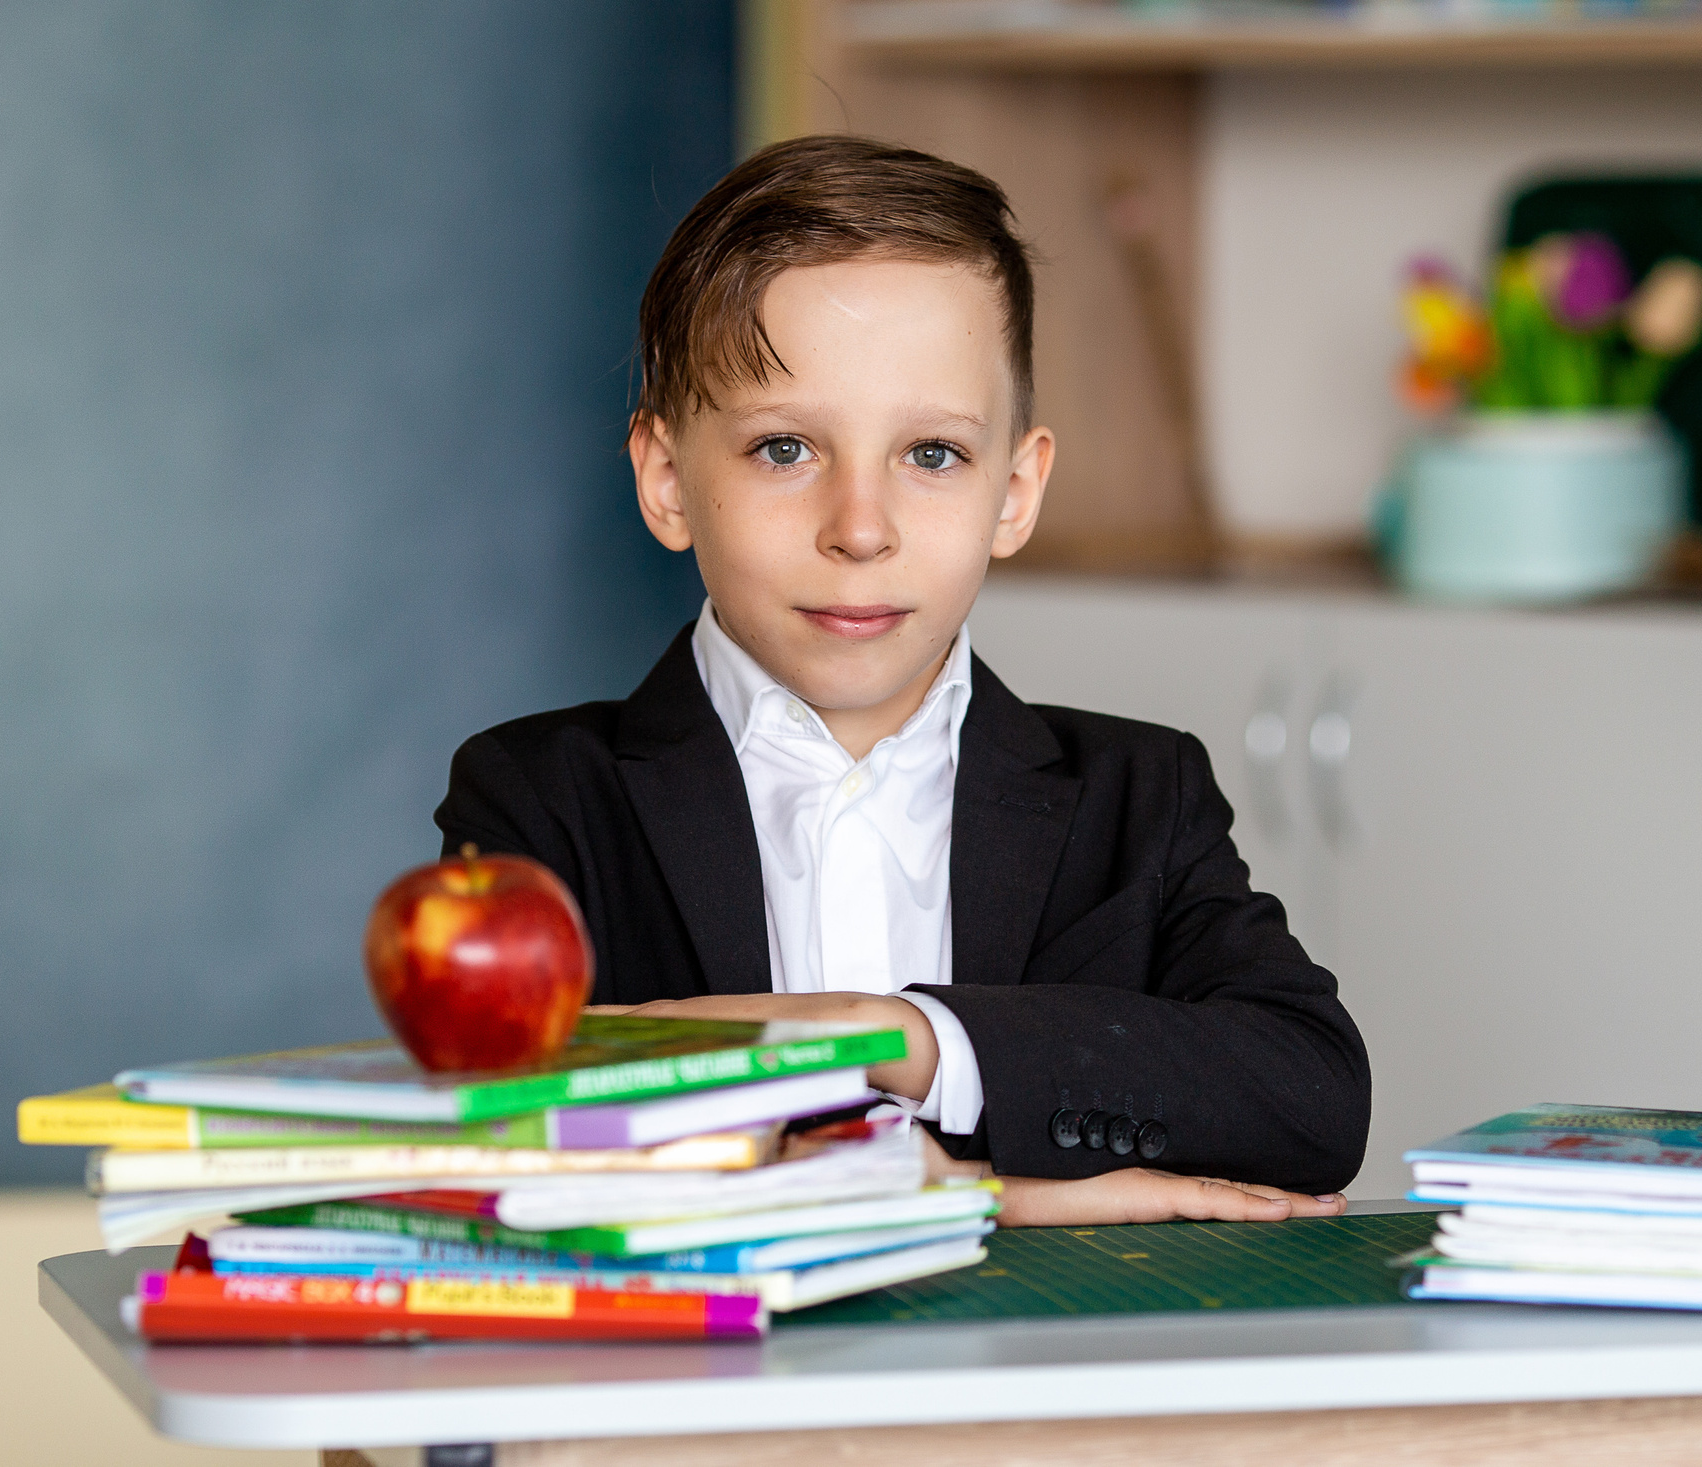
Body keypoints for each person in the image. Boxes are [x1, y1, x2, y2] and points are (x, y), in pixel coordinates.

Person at [435, 134, 1368, 1225]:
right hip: (702, 1385)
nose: (861, 529)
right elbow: (505, 1139)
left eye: (931, 454)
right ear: (666, 479)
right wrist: (990, 1197)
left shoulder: (1137, 795)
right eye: (784, 449)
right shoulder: (540, 797)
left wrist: (884, 1036)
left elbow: (1310, 1096)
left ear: (1014, 492)